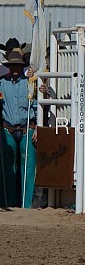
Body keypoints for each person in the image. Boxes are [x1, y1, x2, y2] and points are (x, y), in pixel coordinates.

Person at [0, 49, 37, 208]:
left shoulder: (31, 83)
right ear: (8, 67)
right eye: (12, 66)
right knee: (8, 169)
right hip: (7, 129)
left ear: (22, 66)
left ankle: (26, 205)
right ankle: (10, 203)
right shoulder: (1, 83)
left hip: (26, 128)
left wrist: (38, 128)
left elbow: (40, 104)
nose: (15, 69)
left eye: (17, 66)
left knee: (27, 169)